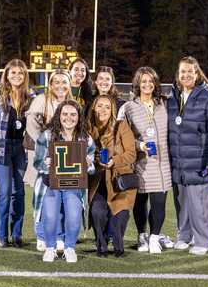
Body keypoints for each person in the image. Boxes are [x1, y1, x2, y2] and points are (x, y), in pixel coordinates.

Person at [167, 56, 208, 255]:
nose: (186, 75)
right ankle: (184, 236)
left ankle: (204, 240)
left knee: (199, 203)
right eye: (182, 71)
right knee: (182, 202)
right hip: (179, 160)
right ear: (178, 74)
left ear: (197, 73)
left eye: (190, 71)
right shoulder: (173, 96)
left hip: (199, 160)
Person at [33, 100, 95, 262]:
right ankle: (50, 247)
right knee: (50, 216)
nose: (69, 118)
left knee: (74, 216)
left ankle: (69, 248)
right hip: (51, 184)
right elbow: (36, 161)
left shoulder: (85, 138)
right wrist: (45, 163)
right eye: (65, 114)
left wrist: (89, 164)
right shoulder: (47, 135)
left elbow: (92, 167)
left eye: (73, 114)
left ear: (79, 117)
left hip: (74, 185)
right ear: (59, 116)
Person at [119, 67, 172, 254]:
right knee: (140, 203)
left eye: (151, 81)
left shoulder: (164, 104)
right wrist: (140, 145)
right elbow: (120, 136)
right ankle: (142, 235)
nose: (147, 85)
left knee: (159, 202)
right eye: (143, 81)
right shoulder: (128, 107)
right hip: (140, 163)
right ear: (137, 84)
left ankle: (155, 237)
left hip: (162, 162)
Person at [24, 69, 72, 250]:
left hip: (63, 156)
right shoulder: (40, 101)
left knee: (61, 195)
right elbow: (32, 128)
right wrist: (46, 148)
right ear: (50, 84)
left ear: (69, 85)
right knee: (42, 195)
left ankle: (59, 235)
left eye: (64, 82)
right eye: (56, 82)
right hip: (41, 154)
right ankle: (42, 235)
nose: (60, 85)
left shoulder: (72, 103)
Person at [87, 94, 137, 257]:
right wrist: (95, 160)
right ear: (94, 107)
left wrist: (114, 161)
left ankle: (117, 242)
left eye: (107, 107)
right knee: (97, 211)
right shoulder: (87, 128)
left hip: (119, 180)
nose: (103, 110)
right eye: (100, 105)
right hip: (98, 181)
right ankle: (101, 244)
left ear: (112, 110)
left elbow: (131, 154)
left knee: (119, 216)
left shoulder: (121, 126)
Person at [0, 59, 34, 248]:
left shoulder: (32, 96)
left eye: (20, 73)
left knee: (19, 192)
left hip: (21, 148)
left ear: (25, 76)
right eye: (13, 72)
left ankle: (16, 233)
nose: (17, 76)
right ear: (6, 75)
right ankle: (2, 234)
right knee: (5, 192)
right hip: (2, 148)